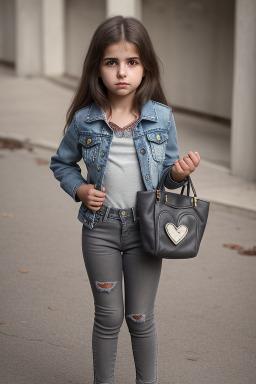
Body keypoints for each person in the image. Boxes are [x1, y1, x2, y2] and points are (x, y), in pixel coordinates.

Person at [49, 15, 200, 384]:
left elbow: (166, 177)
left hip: (145, 230)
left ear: (145, 67)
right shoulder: (85, 121)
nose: (122, 72)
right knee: (109, 316)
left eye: (131, 62)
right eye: (111, 62)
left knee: (139, 317)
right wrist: (80, 190)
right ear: (96, 68)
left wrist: (178, 174)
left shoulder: (161, 118)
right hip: (99, 231)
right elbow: (62, 163)